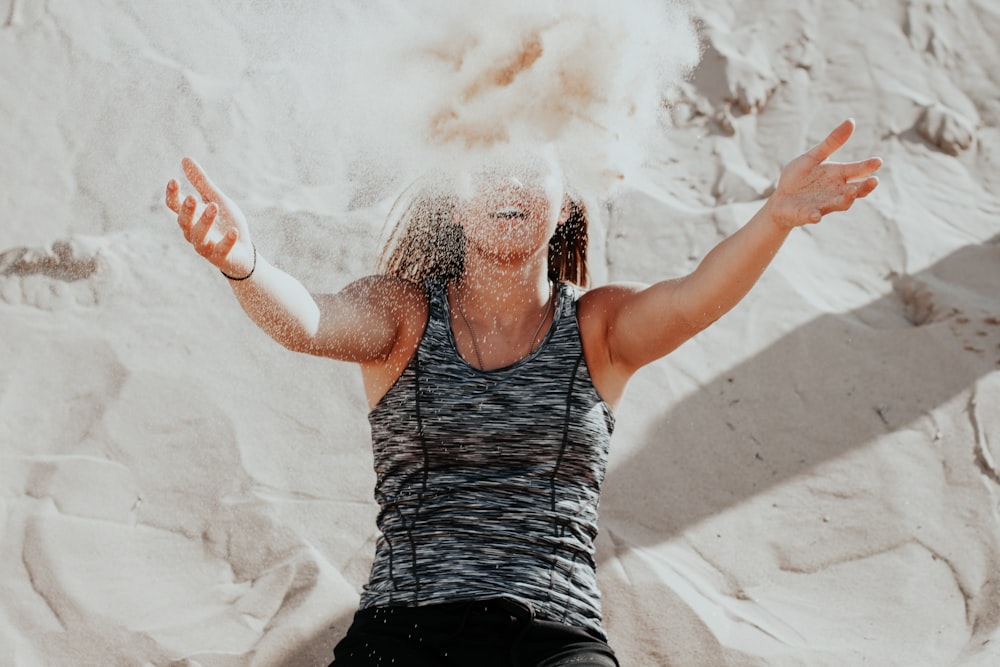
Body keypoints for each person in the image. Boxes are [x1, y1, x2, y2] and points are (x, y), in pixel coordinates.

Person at [164, 119, 881, 666]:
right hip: (404, 628)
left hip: (553, 637)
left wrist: (774, 218)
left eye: (528, 167)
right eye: (485, 170)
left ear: (564, 199)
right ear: (453, 200)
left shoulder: (599, 329)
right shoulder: (404, 314)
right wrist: (246, 264)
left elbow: (696, 297)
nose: (507, 186)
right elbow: (309, 322)